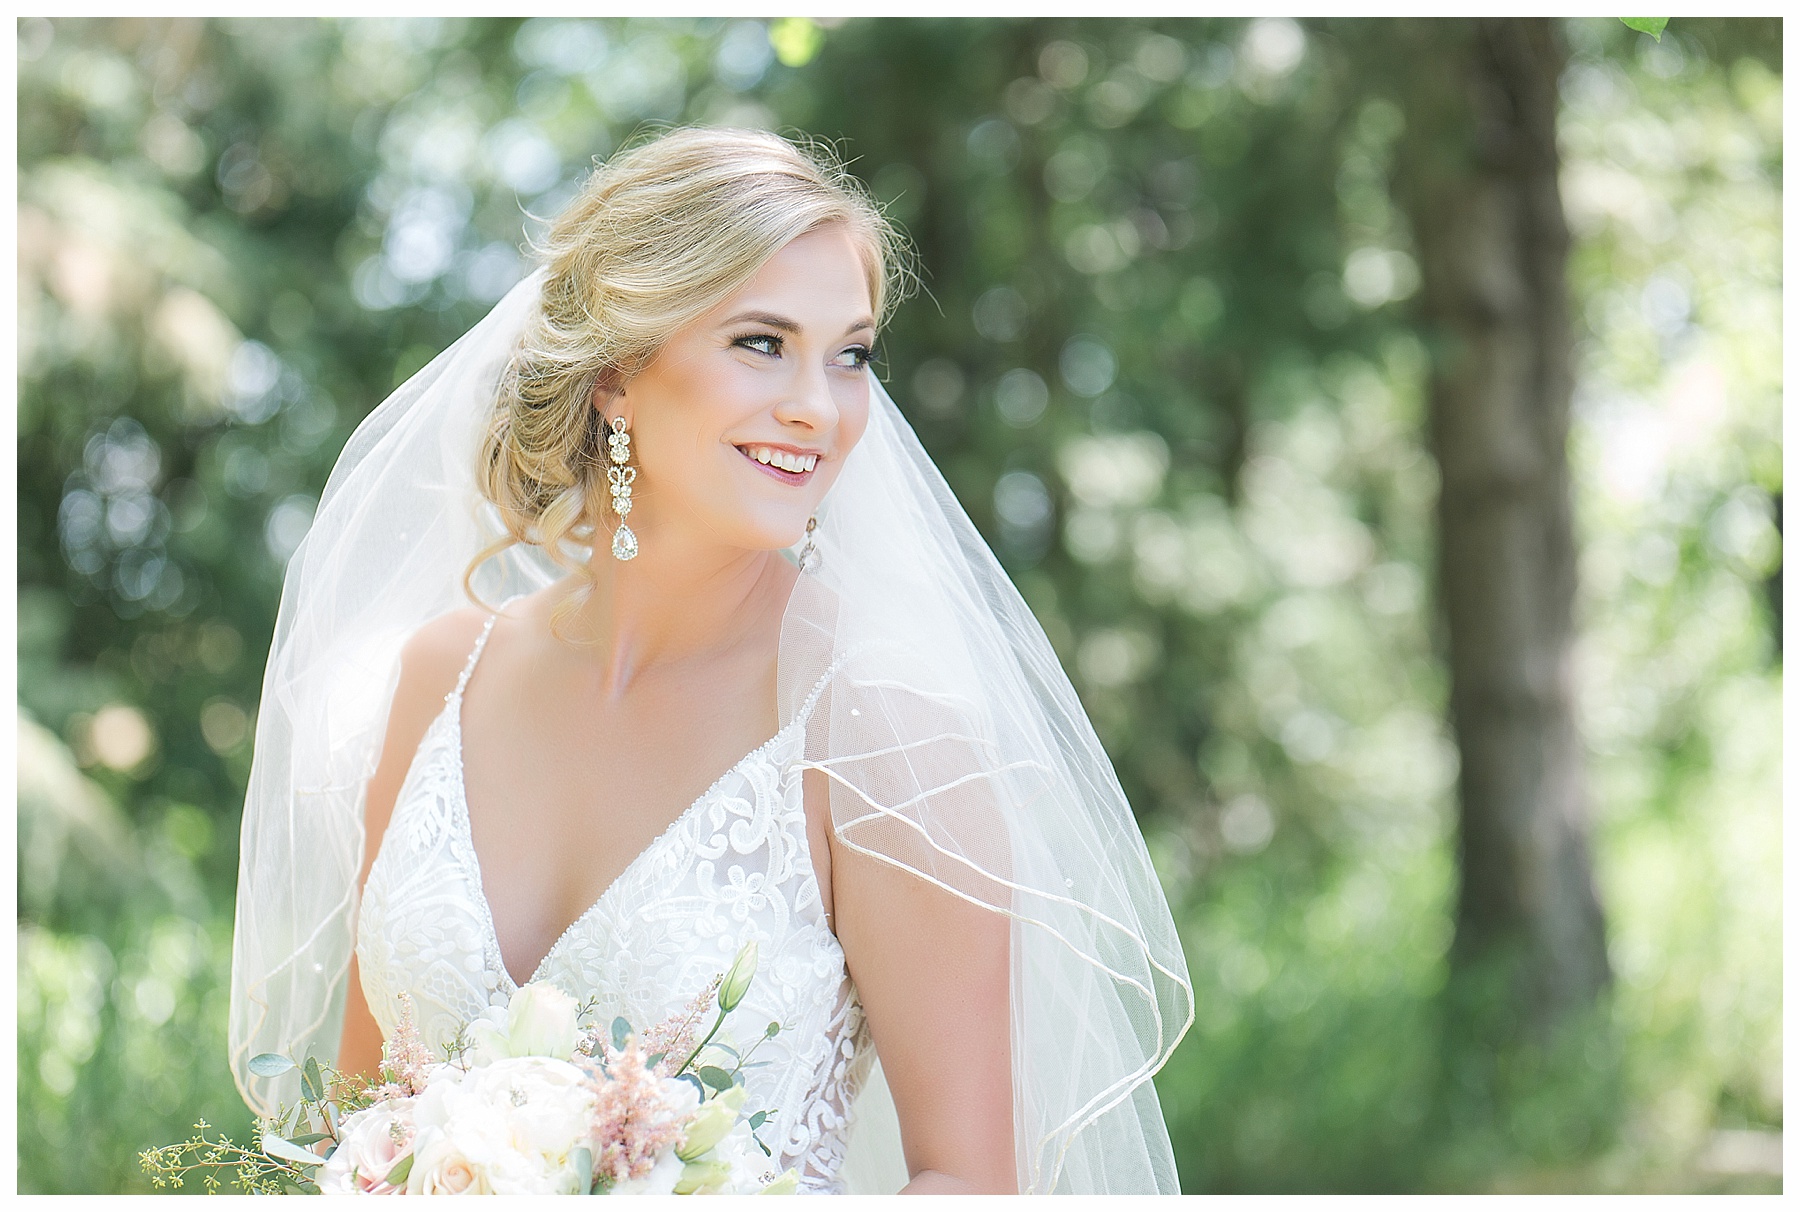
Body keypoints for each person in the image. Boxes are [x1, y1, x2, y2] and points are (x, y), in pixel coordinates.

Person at [228, 126, 1192, 1195]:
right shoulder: (439, 679)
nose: (817, 407)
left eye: (852, 354)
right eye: (761, 342)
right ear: (615, 375)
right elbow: (365, 1128)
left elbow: (970, 1182)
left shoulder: (883, 732)